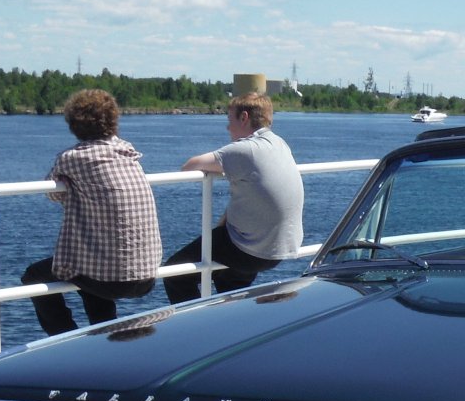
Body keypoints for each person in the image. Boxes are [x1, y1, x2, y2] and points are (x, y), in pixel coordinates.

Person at [21, 89, 161, 336]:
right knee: (92, 267)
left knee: (33, 276)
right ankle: (104, 337)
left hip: (110, 279)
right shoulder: (128, 153)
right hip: (147, 276)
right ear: (113, 122)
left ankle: (66, 340)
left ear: (74, 125)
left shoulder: (72, 158)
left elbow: (53, 193)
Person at [164, 92, 304, 303]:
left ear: (244, 118)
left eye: (229, 120)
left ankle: (196, 329)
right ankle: (230, 323)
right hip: (280, 249)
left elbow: (189, 166)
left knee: (174, 273)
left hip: (251, 248)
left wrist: (220, 170)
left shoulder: (245, 149)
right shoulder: (280, 144)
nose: (228, 128)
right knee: (228, 278)